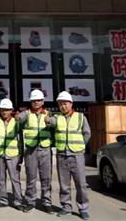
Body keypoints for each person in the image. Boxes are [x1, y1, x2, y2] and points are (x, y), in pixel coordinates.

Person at [48, 91, 91, 220]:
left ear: (71, 103)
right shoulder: (57, 118)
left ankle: (83, 208)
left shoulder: (81, 117)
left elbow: (87, 134)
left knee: (81, 184)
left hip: (77, 155)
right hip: (62, 155)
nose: (63, 106)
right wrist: (47, 119)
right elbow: (49, 122)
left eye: (65, 103)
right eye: (60, 104)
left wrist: (80, 147)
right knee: (64, 184)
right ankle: (66, 207)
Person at [16, 89, 54, 213]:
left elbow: (54, 129)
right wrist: (17, 118)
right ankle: (30, 202)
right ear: (31, 102)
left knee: (46, 177)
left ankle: (46, 202)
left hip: (45, 149)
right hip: (30, 150)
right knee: (31, 177)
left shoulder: (49, 114)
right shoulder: (26, 114)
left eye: (38, 100)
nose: (36, 102)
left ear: (43, 101)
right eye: (34, 100)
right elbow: (18, 121)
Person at [0, 98, 24, 211]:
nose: (4, 112)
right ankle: (2, 200)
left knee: (15, 179)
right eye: (2, 110)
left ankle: (18, 201)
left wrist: (21, 156)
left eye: (7, 110)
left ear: (11, 110)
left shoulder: (16, 121)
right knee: (1, 179)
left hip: (13, 155)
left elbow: (21, 140)